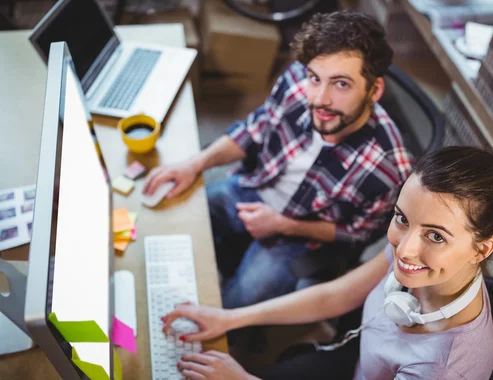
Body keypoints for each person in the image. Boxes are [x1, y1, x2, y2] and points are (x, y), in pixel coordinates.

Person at [161, 145, 493, 380]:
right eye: (402, 218)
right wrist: (230, 318)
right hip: (355, 363)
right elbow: (337, 295)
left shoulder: (442, 374)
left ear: (482, 249)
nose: (404, 248)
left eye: (436, 235)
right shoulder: (413, 253)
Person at [143, 11, 412, 309]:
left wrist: (283, 225)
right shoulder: (297, 81)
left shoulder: (390, 169)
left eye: (341, 84)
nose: (320, 99)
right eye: (315, 78)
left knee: (239, 302)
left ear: (374, 90)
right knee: (180, 220)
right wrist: (193, 164)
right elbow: (253, 130)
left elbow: (356, 233)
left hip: (300, 233)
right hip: (256, 186)